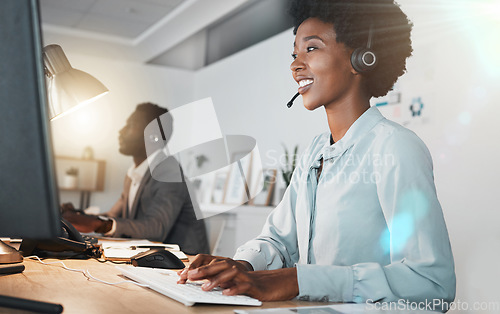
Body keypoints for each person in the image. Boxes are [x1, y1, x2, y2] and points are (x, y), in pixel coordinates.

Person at [177, 0, 456, 310]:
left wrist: (299, 279)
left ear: (360, 59)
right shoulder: (315, 151)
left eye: (311, 49)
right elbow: (278, 239)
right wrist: (240, 265)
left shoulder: (394, 147)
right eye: (294, 54)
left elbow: (431, 283)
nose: (296, 65)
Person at [62, 103, 210, 255]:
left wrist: (100, 224)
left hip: (186, 264)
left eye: (130, 125)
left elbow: (156, 228)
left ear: (153, 136)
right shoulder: (133, 173)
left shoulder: (168, 171)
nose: (121, 131)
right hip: (151, 258)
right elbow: (112, 217)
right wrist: (78, 216)